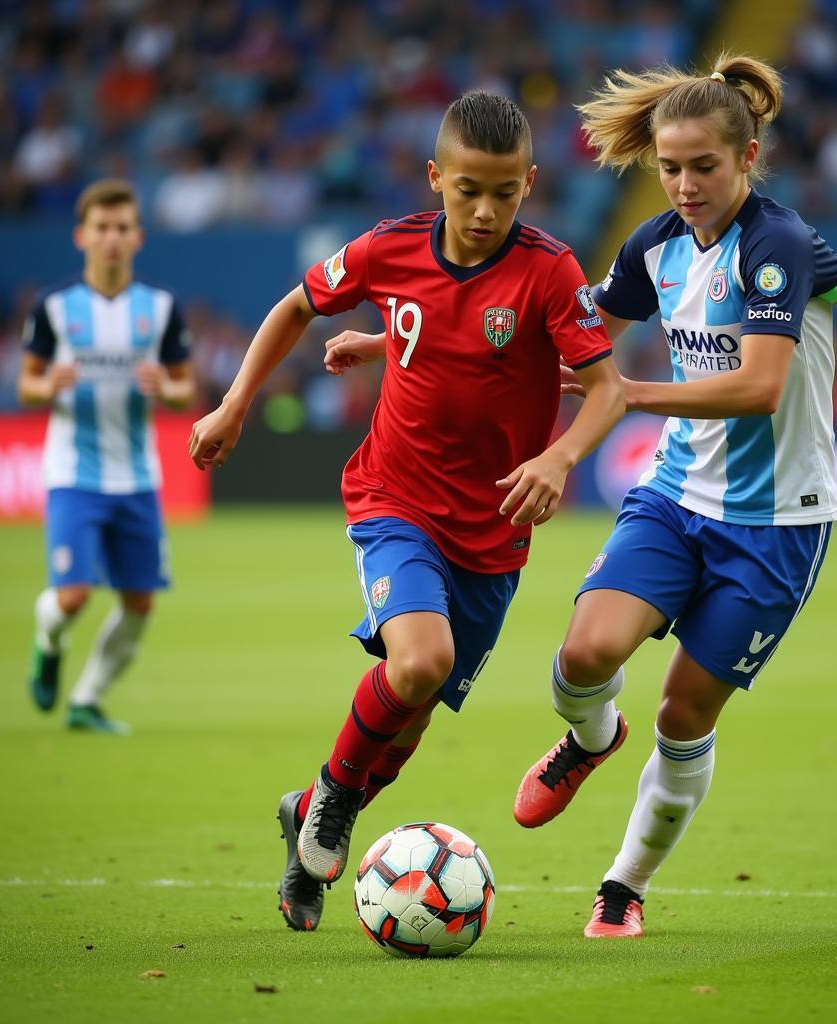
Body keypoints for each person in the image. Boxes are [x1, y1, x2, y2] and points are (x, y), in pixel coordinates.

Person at [511, 55, 837, 939]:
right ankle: (593, 738)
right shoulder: (654, 246)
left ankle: (623, 886)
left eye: (703, 167)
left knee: (683, 712)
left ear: (747, 156)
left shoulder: (780, 245)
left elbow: (780, 378)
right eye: (669, 168)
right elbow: (566, 335)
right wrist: (399, 342)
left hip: (777, 525)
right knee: (584, 655)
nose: (683, 185)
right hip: (677, 497)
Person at [188, 92, 625, 933]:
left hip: (495, 528)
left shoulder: (549, 271)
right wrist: (237, 401)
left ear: (531, 184)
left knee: (414, 707)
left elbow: (603, 385)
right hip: (397, 498)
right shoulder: (387, 248)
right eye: (468, 190)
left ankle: (314, 805)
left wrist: (560, 455)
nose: (486, 209)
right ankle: (332, 808)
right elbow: (292, 308)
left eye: (504, 192)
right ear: (436, 179)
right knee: (420, 661)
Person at [18, 178, 195, 735]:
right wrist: (48, 386)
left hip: (139, 473)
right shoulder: (55, 307)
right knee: (72, 596)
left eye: (122, 228)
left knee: (140, 603)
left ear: (138, 236)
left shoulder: (161, 308)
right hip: (74, 470)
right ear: (82, 236)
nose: (112, 238)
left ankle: (87, 698)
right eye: (102, 228)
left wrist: (162, 387)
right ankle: (48, 642)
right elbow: (25, 384)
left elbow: (186, 388)